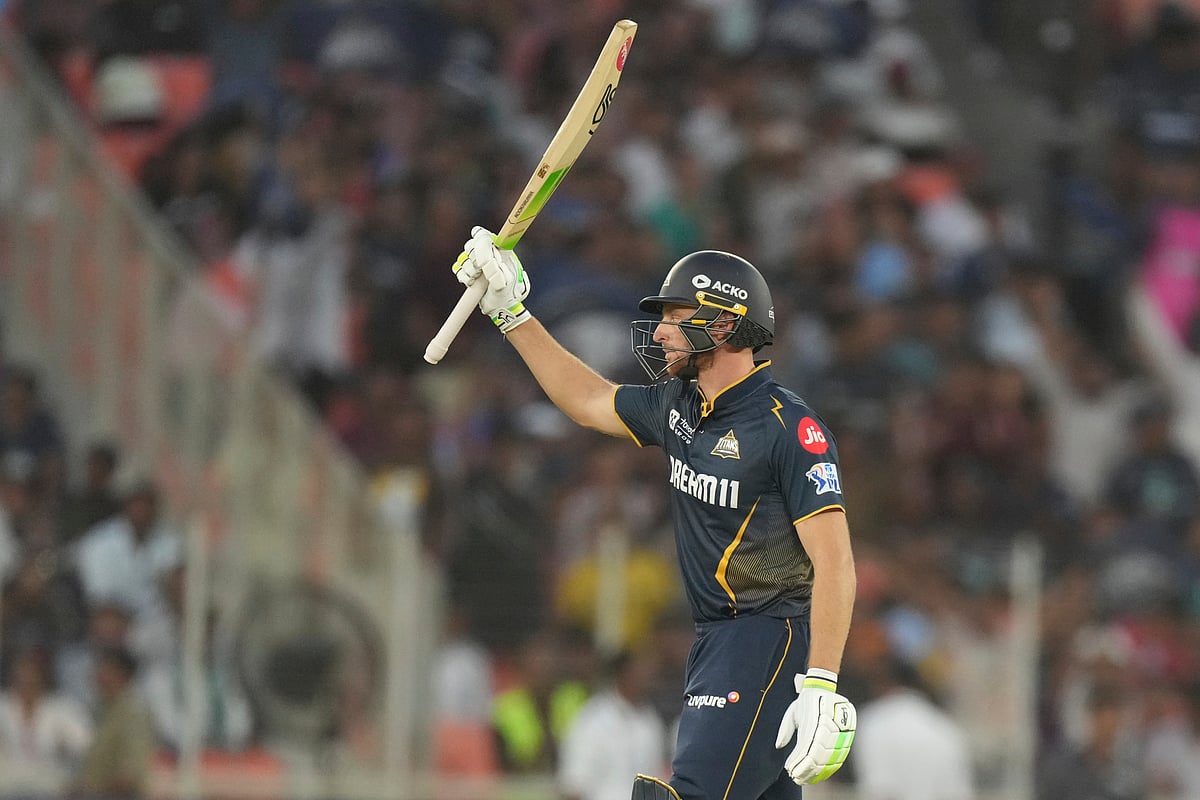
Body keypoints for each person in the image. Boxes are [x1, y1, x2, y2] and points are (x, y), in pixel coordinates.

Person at [451, 228, 858, 799]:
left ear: (724, 323)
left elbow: (835, 562)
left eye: (676, 315)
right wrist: (510, 314)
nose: (660, 331)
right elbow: (589, 400)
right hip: (714, 640)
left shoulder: (789, 428)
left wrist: (821, 681)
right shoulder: (678, 406)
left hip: (765, 639)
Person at [558, 649, 668, 800]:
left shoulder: (650, 721)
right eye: (640, 669)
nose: (647, 676)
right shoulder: (593, 720)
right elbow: (573, 785)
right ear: (624, 673)